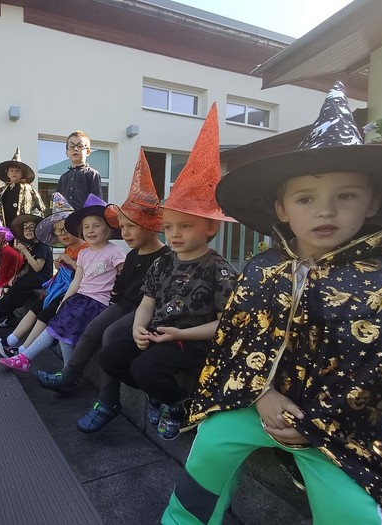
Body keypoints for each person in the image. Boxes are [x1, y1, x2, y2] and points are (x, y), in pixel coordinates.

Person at [163, 83, 382, 524]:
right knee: (209, 448)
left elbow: (377, 370)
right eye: (306, 198)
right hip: (255, 401)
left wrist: (312, 427)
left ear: (373, 202)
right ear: (282, 208)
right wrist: (262, 393)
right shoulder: (262, 268)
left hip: (337, 430)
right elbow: (235, 338)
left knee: (354, 512)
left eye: (346, 195)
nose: (325, 211)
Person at [79, 104, 237, 437]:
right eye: (169, 227)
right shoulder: (163, 262)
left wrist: (180, 334)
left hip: (191, 342)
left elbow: (226, 323)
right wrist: (139, 327)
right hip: (158, 333)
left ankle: (176, 402)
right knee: (111, 357)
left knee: (146, 368)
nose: (174, 235)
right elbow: (147, 301)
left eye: (185, 226)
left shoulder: (218, 269)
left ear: (210, 227)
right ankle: (158, 394)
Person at [36, 148, 170, 396]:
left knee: (109, 335)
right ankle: (68, 376)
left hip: (145, 310)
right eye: (123, 227)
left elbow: (152, 297)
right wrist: (112, 302)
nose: (125, 233)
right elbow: (121, 285)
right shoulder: (133, 254)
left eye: (131, 227)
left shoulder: (164, 258)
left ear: (151, 226)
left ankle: (107, 400)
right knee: (91, 331)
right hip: (123, 305)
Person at [0, 194, 126, 372]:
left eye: (96, 226)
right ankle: (59, 369)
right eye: (86, 227)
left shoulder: (114, 252)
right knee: (57, 328)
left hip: (97, 303)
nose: (91, 230)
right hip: (79, 299)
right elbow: (77, 282)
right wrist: (65, 302)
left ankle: (29, 359)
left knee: (59, 329)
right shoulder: (84, 254)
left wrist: (118, 301)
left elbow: (125, 277)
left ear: (107, 229)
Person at [0, 193, 87, 357]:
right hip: (60, 289)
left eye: (66, 229)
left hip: (74, 293)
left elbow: (83, 274)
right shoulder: (67, 248)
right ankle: (10, 340)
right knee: (35, 306)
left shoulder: (85, 249)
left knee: (44, 311)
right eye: (58, 231)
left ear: (77, 227)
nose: (62, 234)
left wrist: (68, 263)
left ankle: (22, 350)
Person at [0, 213, 53, 328]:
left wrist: (24, 251)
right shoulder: (32, 246)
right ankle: (2, 315)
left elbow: (37, 268)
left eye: (32, 227)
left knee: (18, 288)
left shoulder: (42, 246)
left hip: (42, 279)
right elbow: (27, 268)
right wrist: (17, 276)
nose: (28, 230)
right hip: (32, 278)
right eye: (25, 228)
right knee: (14, 287)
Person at [0, 147, 45, 226]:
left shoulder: (28, 189)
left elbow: (38, 207)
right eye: (12, 171)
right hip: (6, 224)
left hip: (21, 225)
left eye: (17, 171)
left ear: (22, 174)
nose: (14, 173)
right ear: (8, 174)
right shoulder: (2, 191)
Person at [56, 130, 103, 210]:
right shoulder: (63, 177)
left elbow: (96, 202)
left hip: (84, 216)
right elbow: (58, 202)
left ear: (87, 152)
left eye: (80, 146)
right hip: (65, 216)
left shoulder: (92, 174)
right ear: (67, 152)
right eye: (71, 146)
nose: (75, 149)